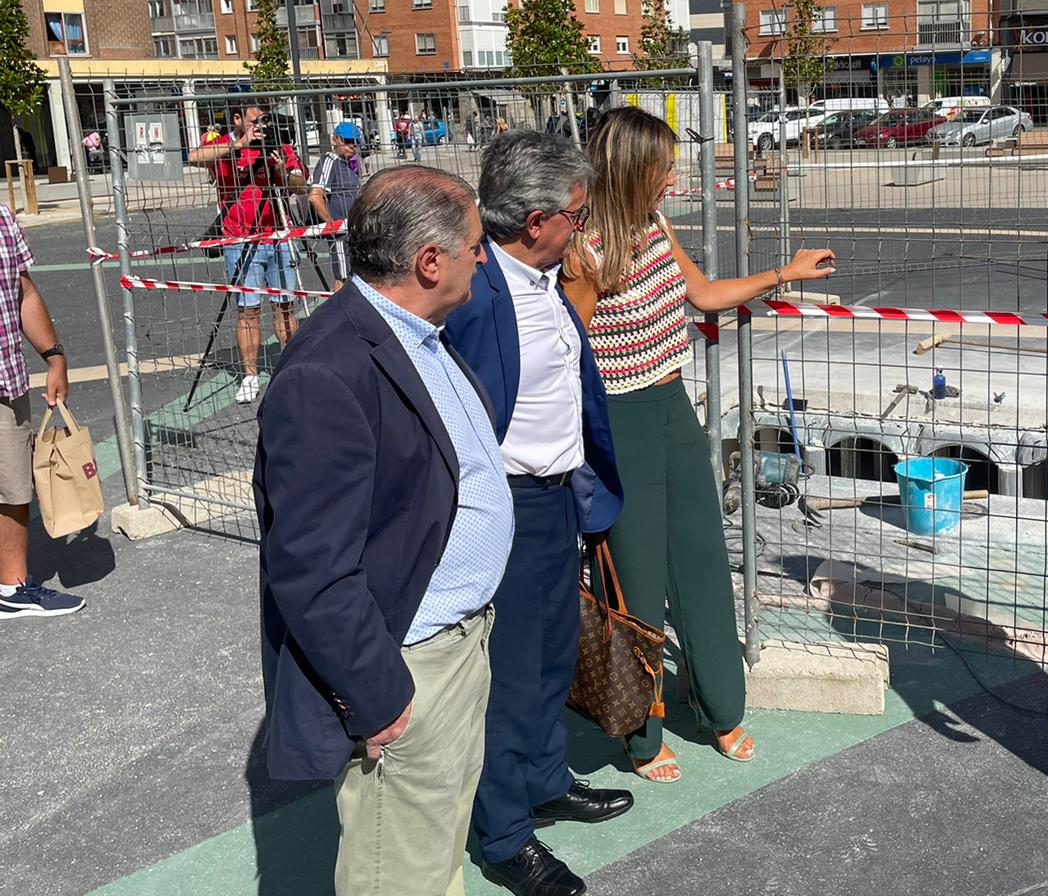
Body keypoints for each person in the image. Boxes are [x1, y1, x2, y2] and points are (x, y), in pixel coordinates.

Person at [254, 166, 513, 896]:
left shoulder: (417, 332)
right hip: (409, 666)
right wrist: (380, 695)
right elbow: (310, 568)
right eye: (475, 247)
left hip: (457, 644)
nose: (484, 259)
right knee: (399, 875)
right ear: (429, 262)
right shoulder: (328, 371)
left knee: (434, 858)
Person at [562, 107, 834, 783]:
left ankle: (718, 704)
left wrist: (784, 274)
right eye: (664, 166)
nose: (673, 176)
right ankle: (638, 731)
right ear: (632, 169)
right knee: (635, 583)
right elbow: (567, 351)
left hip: (673, 410)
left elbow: (705, 293)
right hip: (617, 424)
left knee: (704, 561)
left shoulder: (654, 224)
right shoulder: (586, 249)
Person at [446, 132, 631, 896]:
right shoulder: (477, 293)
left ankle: (545, 778)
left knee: (554, 655)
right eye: (576, 218)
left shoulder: (546, 278)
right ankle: (504, 834)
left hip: (559, 501)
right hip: (509, 508)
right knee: (511, 672)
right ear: (534, 219)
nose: (582, 230)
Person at [188, 105, 305, 405]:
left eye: (264, 121)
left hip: (277, 233)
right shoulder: (228, 144)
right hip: (239, 237)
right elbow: (193, 157)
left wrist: (280, 169)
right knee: (248, 309)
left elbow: (299, 185)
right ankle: (250, 375)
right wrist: (239, 145)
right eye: (255, 122)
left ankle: (290, 365)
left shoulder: (277, 142)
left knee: (285, 306)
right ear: (238, 120)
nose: (260, 127)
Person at [0, 205, 81, 619]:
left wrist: (54, 357)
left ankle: (12, 588)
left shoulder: (0, 216)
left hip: (3, 377)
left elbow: (23, 291)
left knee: (13, 485)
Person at [308, 123, 364, 292]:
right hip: (340, 234)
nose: (352, 146)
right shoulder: (330, 160)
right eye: (348, 141)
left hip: (352, 233)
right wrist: (332, 225)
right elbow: (315, 196)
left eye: (356, 142)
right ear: (336, 139)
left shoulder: (346, 164)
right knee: (343, 279)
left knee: (354, 278)